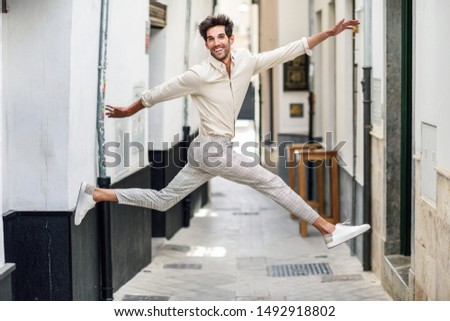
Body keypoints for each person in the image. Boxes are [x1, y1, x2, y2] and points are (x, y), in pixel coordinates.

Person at [74, 14, 370, 249]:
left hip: (210, 151)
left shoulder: (246, 62)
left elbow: (290, 50)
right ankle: (329, 231)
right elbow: (159, 92)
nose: (216, 43)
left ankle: (98, 194)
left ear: (230, 38)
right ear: (206, 44)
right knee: (271, 182)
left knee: (164, 201)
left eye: (220, 37)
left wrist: (329, 33)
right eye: (210, 39)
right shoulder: (199, 75)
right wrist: (129, 110)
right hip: (209, 149)